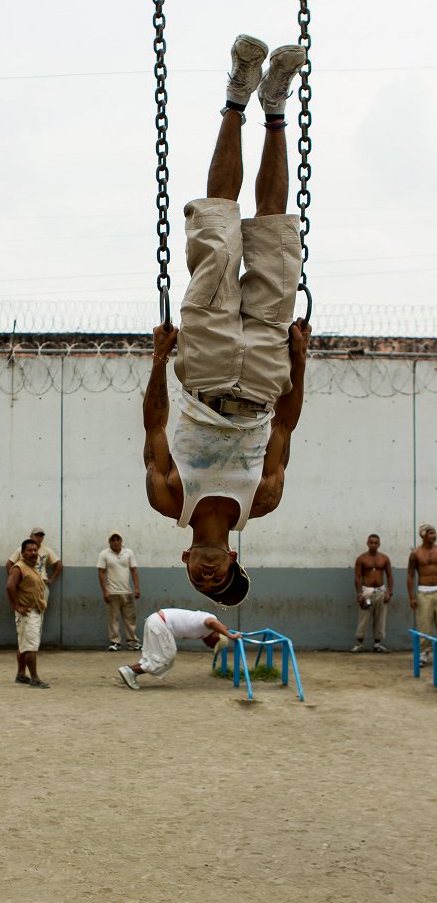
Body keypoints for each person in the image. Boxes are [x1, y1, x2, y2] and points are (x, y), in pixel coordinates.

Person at [143, 35, 311, 608]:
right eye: (219, 578)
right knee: (273, 229)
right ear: (235, 559)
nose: (209, 575)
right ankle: (275, 108)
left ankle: (237, 96)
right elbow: (285, 427)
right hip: (265, 380)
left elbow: (155, 428)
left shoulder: (170, 501)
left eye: (201, 580)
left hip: (205, 374)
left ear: (187, 560)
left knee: (218, 232)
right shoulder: (262, 500)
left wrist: (161, 356)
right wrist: (300, 361)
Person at [118, 608, 241, 690]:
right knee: (166, 657)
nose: (210, 646)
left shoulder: (205, 630)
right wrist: (230, 635)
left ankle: (129, 670)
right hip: (160, 623)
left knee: (155, 657)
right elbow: (212, 622)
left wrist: (224, 631)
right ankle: (132, 672)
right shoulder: (210, 624)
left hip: (157, 621)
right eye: (213, 644)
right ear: (215, 636)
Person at [6, 538, 50, 688]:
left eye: (35, 550)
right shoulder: (19, 567)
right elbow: (9, 586)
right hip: (27, 613)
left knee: (24, 645)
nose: (33, 553)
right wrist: (16, 606)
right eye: (29, 550)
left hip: (34, 611)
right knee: (31, 646)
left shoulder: (32, 567)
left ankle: (21, 674)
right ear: (22, 553)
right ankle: (35, 678)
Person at [97, 532, 141, 652]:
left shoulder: (128, 553)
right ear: (109, 542)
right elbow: (101, 573)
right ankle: (115, 642)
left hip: (127, 592)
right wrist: (105, 590)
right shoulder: (104, 554)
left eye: (118, 539)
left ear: (121, 541)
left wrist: (137, 588)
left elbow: (134, 571)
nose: (115, 542)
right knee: (113, 619)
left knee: (130, 618)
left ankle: (132, 642)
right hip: (112, 592)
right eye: (113, 540)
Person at [351, 534, 393, 653]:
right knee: (364, 617)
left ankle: (377, 644)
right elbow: (357, 578)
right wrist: (360, 594)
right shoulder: (362, 558)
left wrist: (389, 592)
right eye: (371, 542)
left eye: (375, 543)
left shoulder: (384, 558)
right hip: (367, 592)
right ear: (367, 543)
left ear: (379, 544)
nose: (373, 545)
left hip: (381, 591)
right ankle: (359, 644)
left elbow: (389, 576)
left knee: (380, 618)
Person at [407, 523, 437, 666]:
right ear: (423, 535)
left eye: (435, 532)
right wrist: (412, 596)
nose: (434, 535)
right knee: (424, 625)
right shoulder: (415, 553)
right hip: (424, 593)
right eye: (431, 533)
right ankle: (424, 653)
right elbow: (410, 575)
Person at [6, 528, 62, 595]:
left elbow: (58, 564)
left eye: (41, 536)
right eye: (36, 535)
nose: (39, 538)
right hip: (25, 585)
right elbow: (9, 564)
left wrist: (52, 579)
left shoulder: (47, 550)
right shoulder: (21, 550)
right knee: (25, 605)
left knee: (42, 605)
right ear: (30, 536)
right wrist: (14, 579)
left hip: (41, 584)